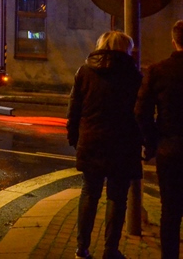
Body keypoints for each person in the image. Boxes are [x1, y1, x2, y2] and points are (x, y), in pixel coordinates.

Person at [67, 30, 143, 259]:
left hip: (91, 141)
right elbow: (139, 114)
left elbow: (74, 109)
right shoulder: (134, 76)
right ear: (125, 49)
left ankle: (82, 248)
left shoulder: (84, 72)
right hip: (123, 144)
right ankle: (110, 250)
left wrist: (74, 137)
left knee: (89, 193)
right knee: (117, 197)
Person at [136, 20, 183, 259]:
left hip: (170, 149)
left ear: (174, 41)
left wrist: (153, 141)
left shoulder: (159, 70)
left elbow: (141, 112)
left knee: (171, 212)